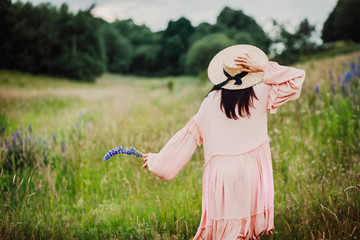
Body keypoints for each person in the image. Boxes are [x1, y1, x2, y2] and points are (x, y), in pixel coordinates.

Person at [142, 44, 305, 240]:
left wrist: (158, 160)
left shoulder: (210, 101)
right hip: (252, 173)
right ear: (249, 72)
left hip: (221, 177)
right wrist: (263, 67)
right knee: (246, 233)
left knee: (226, 233)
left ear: (221, 74)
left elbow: (189, 136)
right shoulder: (262, 92)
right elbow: (296, 78)